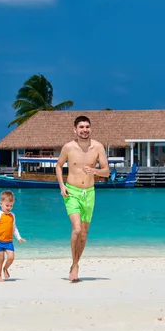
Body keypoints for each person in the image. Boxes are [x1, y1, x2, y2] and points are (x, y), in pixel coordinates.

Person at [55, 115, 110, 282]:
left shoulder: (98, 147)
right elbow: (58, 166)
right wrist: (61, 186)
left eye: (87, 127)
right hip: (72, 192)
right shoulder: (68, 147)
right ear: (75, 130)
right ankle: (75, 265)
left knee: (84, 234)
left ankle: (75, 263)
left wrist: (95, 171)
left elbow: (106, 171)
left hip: (90, 193)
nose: (85, 130)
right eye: (81, 127)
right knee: (77, 229)